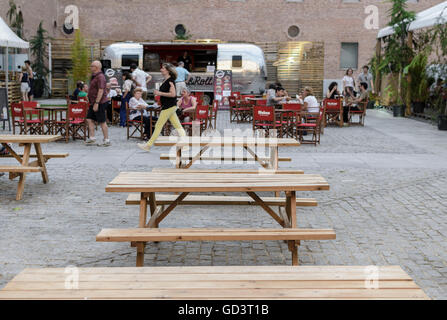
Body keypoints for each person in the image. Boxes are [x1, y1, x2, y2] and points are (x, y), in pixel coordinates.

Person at [137, 63, 186, 152]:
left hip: (168, 106)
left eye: (163, 68)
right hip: (168, 106)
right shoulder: (166, 80)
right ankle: (185, 145)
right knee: (178, 126)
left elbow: (173, 94)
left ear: (167, 70)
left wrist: (160, 93)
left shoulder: (170, 81)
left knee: (158, 125)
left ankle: (148, 145)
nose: (161, 69)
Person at [85, 61, 110, 147]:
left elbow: (101, 90)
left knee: (102, 121)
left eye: (92, 66)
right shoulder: (94, 76)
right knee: (89, 119)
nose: (90, 67)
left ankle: (106, 140)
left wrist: (97, 103)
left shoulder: (100, 77)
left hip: (100, 102)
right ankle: (92, 138)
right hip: (93, 102)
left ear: (97, 67)